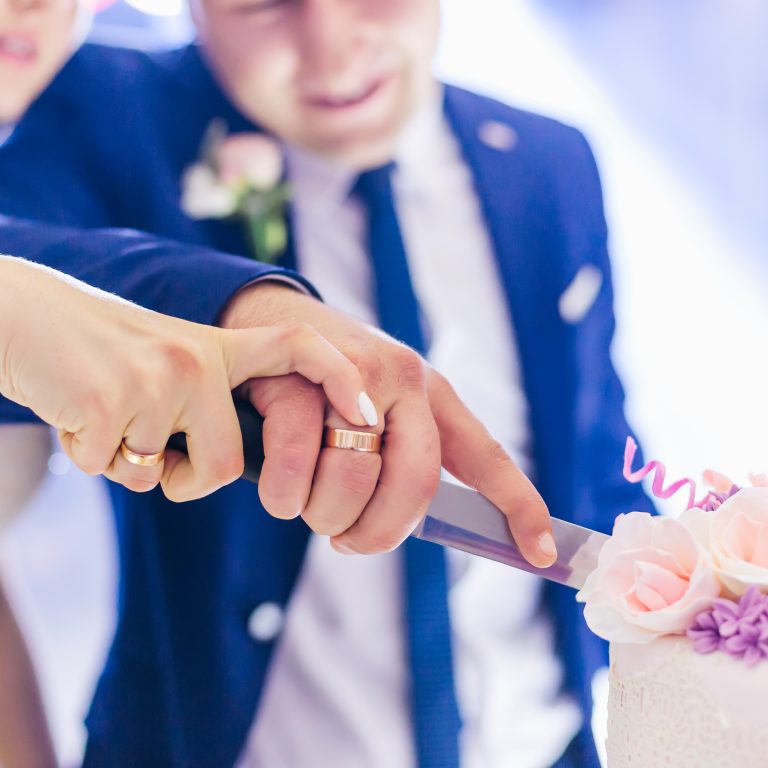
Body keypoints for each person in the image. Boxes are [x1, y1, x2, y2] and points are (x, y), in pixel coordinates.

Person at [0, 2, 654, 766]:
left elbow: (596, 453)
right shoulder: (102, 106)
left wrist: (702, 594)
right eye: (265, 4)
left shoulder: (551, 162)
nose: (333, 49)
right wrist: (242, 305)